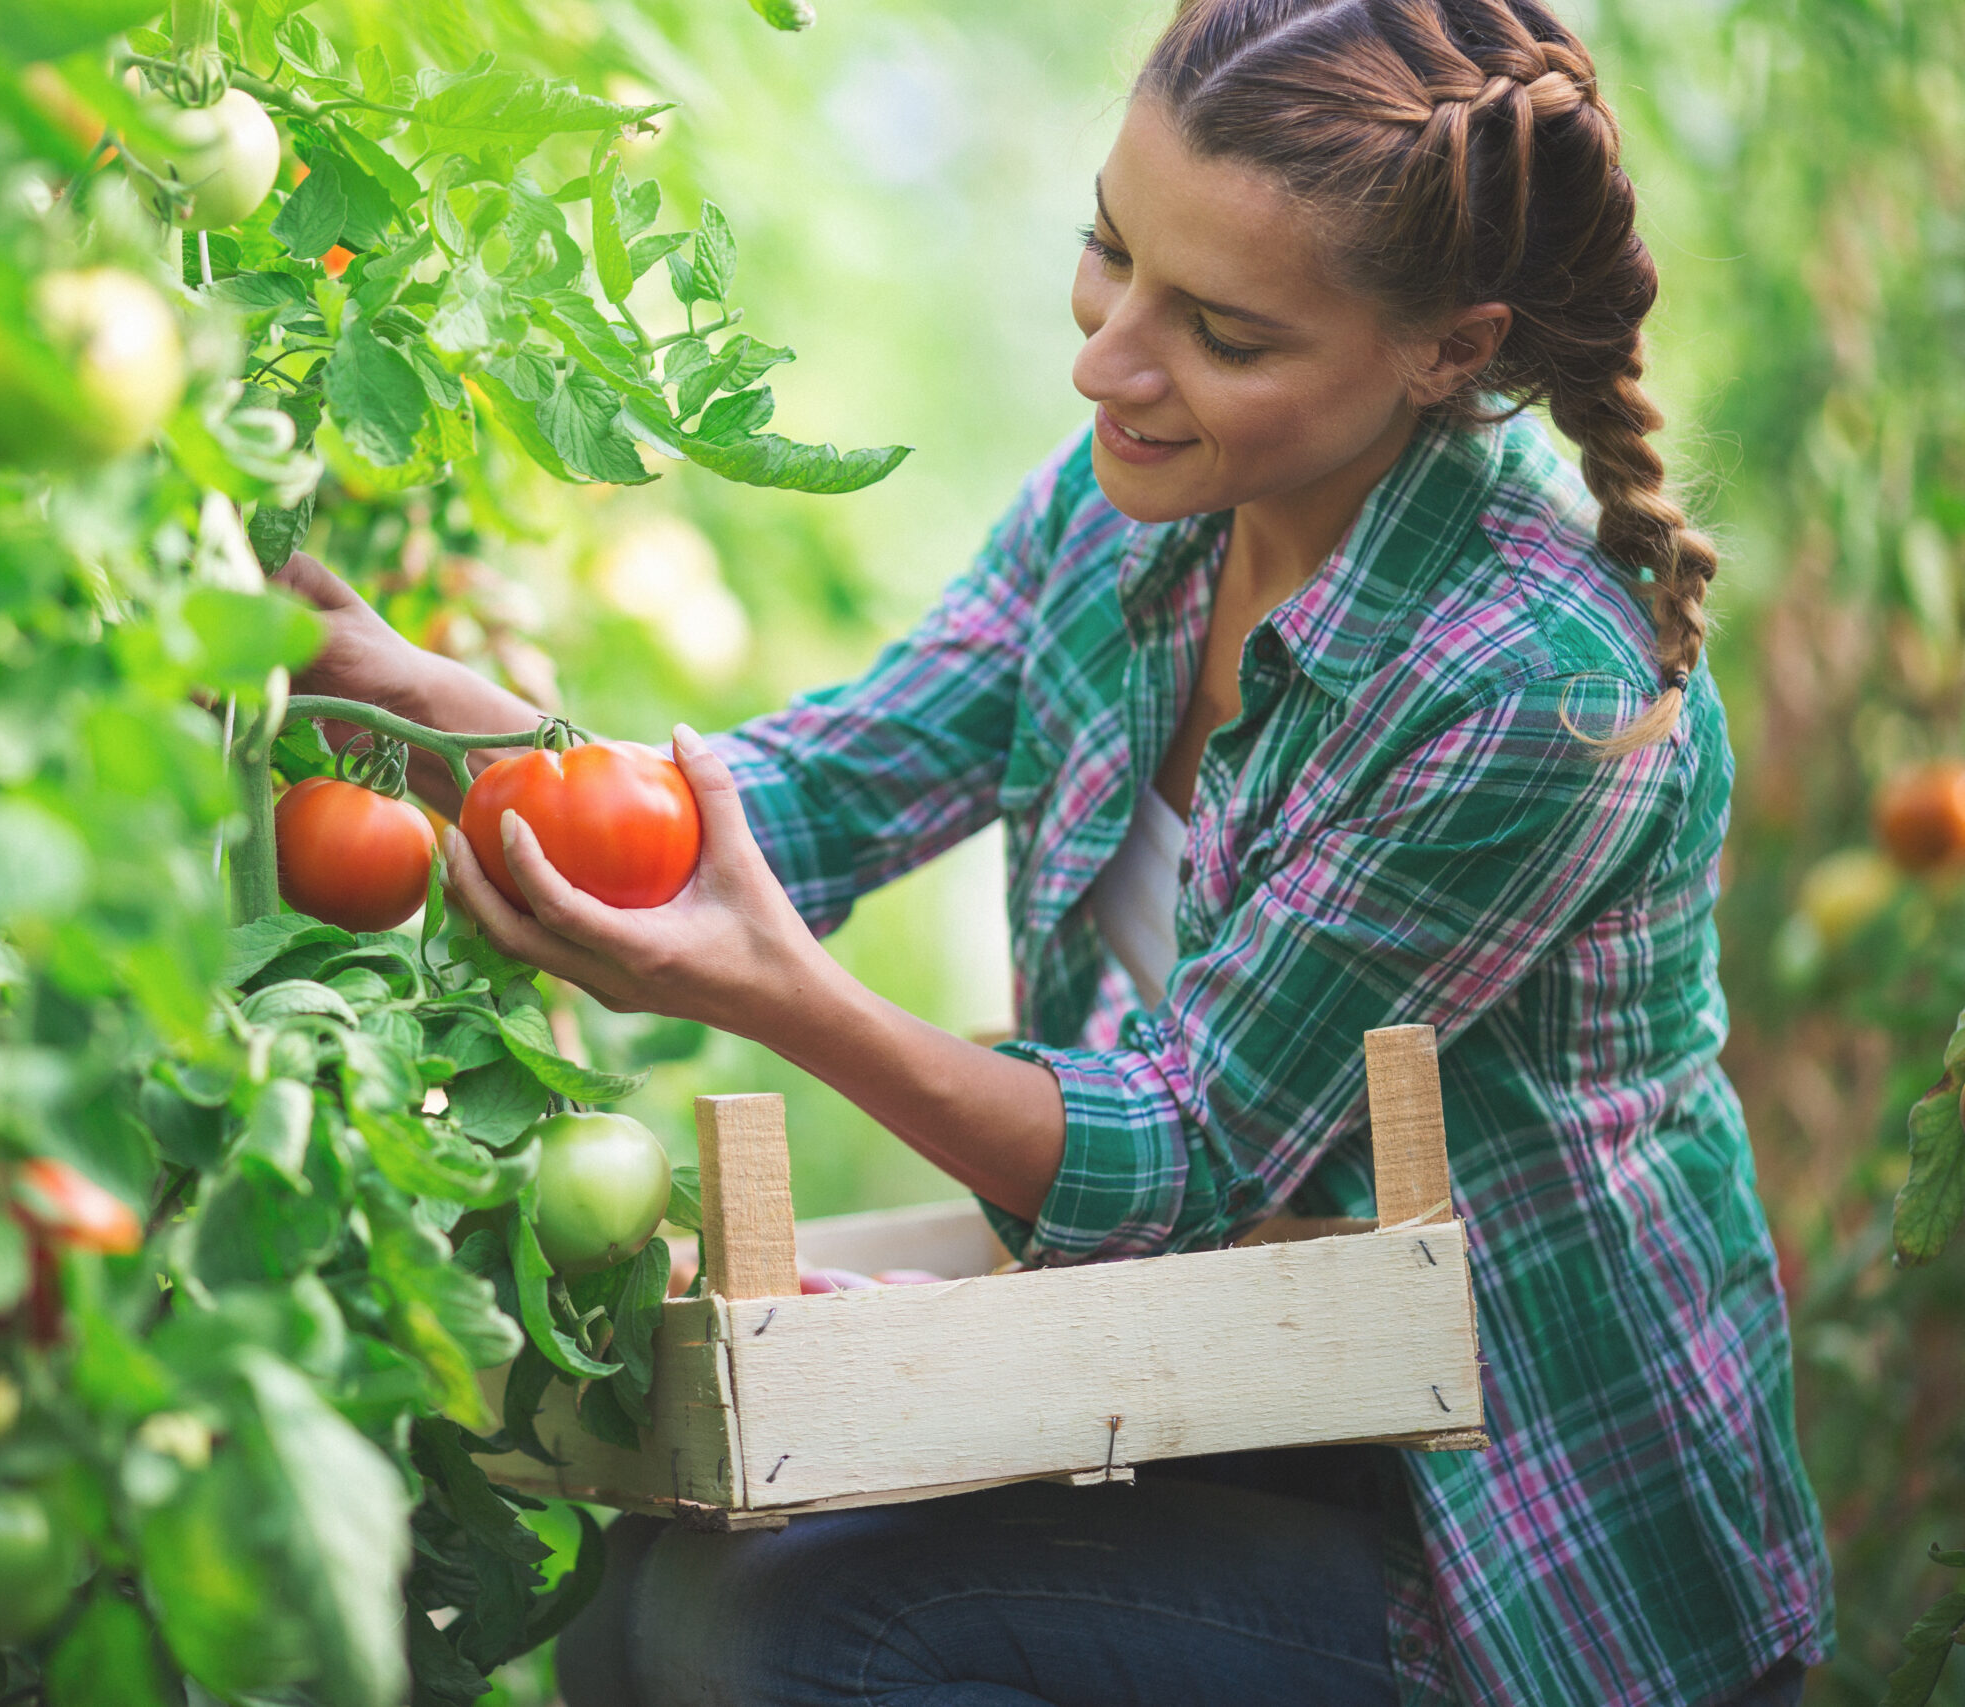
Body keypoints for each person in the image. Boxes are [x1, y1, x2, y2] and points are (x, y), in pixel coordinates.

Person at [275, 0, 1832, 1700]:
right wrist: (461, 735)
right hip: (1223, 1392)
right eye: (1111, 250)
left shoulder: (1538, 682)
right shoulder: (1131, 515)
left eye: (1222, 331)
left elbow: (1184, 1156)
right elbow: (813, 797)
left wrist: (785, 1002)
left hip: (1507, 1536)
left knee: (801, 1624)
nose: (1105, 357)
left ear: (1449, 350)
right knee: (651, 1563)